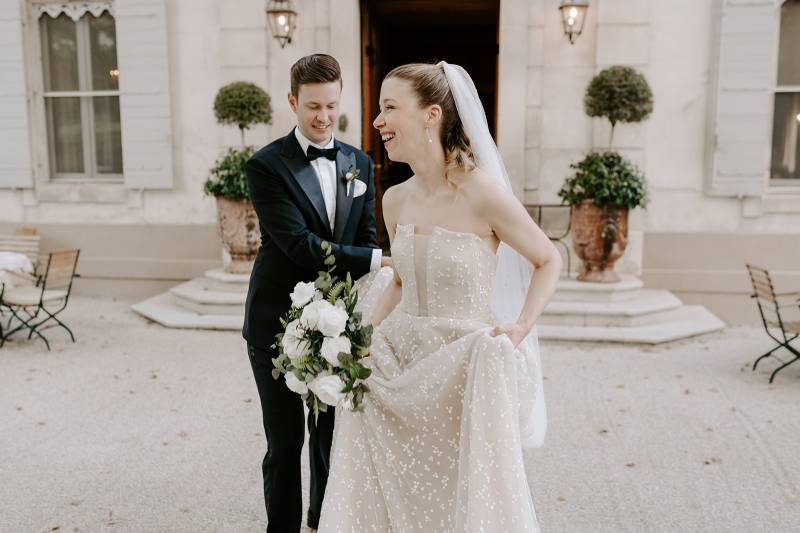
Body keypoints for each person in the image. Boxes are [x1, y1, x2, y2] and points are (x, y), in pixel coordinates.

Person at [317, 61, 562, 532]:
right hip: (399, 358)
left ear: (430, 115)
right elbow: (402, 281)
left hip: (462, 367)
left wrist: (521, 326)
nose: (377, 122)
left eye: (389, 108)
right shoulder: (395, 199)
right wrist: (361, 338)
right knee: (392, 485)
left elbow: (547, 259)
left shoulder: (483, 194)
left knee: (456, 490)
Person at [243, 53, 388, 533]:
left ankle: (324, 522)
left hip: (338, 323)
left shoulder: (359, 162)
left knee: (330, 440)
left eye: (330, 105)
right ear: (292, 101)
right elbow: (300, 247)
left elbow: (365, 233)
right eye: (312, 107)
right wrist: (375, 260)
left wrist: (365, 281)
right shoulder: (265, 166)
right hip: (275, 322)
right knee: (284, 443)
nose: (323, 117)